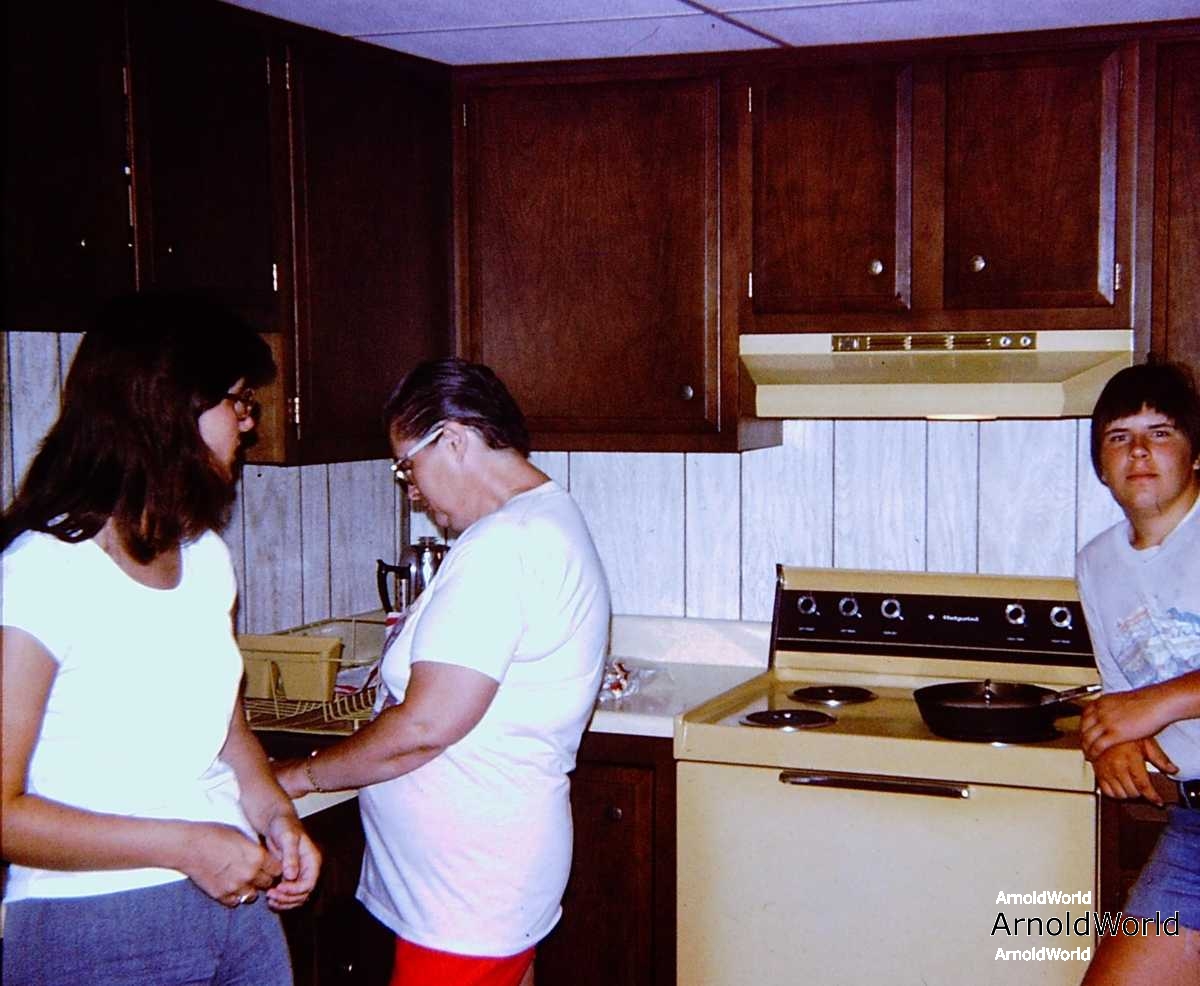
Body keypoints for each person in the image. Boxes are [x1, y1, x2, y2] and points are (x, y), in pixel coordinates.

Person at [1, 292, 321, 986]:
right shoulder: (41, 572)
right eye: (237, 401)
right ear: (169, 407)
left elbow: (228, 735)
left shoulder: (205, 557)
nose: (248, 423)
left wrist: (277, 817)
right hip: (93, 924)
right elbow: (4, 813)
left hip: (236, 910)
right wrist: (185, 846)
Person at [274, 357, 611, 986]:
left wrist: (298, 776)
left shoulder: (505, 546)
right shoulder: (541, 521)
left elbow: (426, 726)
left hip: (464, 900)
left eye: (407, 467)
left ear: (453, 440)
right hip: (479, 888)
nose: (410, 490)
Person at [1075, 361, 1200, 984]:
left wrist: (1157, 704)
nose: (1140, 451)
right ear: (1101, 465)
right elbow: (1121, 691)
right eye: (1120, 437)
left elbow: (1143, 701)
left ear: (1195, 452)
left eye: (1161, 432)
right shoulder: (1097, 562)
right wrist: (1112, 742)